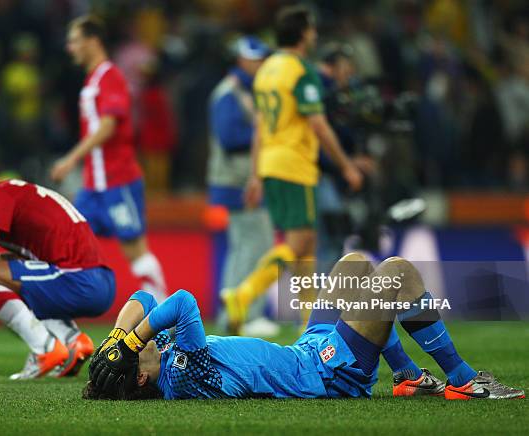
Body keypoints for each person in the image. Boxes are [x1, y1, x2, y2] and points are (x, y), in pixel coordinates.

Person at [84, 253, 524, 400]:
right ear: (140, 375)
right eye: (130, 353)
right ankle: (464, 381)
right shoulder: (186, 376)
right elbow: (181, 302)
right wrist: (131, 340)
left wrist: (118, 341)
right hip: (328, 375)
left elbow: (143, 298)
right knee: (398, 275)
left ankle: (407, 377)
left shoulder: (154, 357)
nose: (141, 337)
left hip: (305, 350)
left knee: (353, 265)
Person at [222, 6, 363, 332]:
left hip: (271, 165)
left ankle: (309, 327)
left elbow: (259, 126)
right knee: (299, 244)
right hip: (294, 166)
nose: (314, 35)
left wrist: (256, 174)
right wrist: (346, 165)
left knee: (305, 251)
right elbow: (318, 124)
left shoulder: (267, 70)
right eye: (311, 30)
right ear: (303, 33)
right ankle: (245, 294)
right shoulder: (301, 71)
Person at [0, 180, 116, 379]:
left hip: (79, 279)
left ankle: (45, 349)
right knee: (3, 264)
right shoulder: (13, 194)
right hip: (100, 279)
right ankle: (72, 340)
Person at [50, 15, 166, 302]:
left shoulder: (110, 76)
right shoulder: (93, 80)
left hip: (118, 180)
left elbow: (109, 125)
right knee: (70, 244)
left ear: (93, 41)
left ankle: (167, 313)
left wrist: (70, 159)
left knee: (135, 249)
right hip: (93, 186)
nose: (70, 47)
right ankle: (60, 315)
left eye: (75, 40)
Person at [207, 36, 276, 335]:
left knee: (243, 247)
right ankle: (248, 314)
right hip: (236, 180)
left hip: (236, 180)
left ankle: (232, 313)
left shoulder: (243, 91)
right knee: (255, 246)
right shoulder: (229, 93)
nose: (261, 65)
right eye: (256, 59)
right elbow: (228, 137)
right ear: (242, 60)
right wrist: (263, 134)